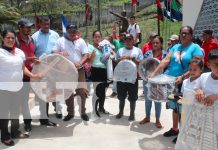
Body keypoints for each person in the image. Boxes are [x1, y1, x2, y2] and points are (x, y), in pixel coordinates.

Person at [148, 26, 204, 143]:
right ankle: (175, 129)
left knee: (183, 109)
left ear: (191, 35)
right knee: (174, 107)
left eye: (186, 33)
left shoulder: (195, 48)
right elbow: (166, 61)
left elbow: (196, 66)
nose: (183, 35)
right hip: (171, 82)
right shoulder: (175, 47)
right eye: (181, 33)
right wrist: (153, 73)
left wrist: (183, 76)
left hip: (185, 83)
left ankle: (183, 132)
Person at [0, 29, 41, 146]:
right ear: (3, 38)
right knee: (4, 113)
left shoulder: (19, 52)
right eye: (8, 37)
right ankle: (4, 136)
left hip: (18, 87)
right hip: (3, 89)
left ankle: (14, 132)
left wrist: (33, 75)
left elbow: (23, 68)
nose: (11, 40)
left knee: (15, 112)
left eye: (13, 37)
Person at [52, 24, 89, 121]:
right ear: (66, 31)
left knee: (81, 91)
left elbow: (86, 55)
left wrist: (80, 62)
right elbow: (53, 52)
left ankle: (83, 112)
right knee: (68, 92)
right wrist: (60, 53)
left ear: (76, 32)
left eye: (74, 31)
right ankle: (70, 113)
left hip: (79, 70)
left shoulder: (81, 41)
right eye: (70, 31)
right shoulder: (60, 41)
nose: (72, 33)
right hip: (65, 71)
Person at [32, 16, 60, 126]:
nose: (46, 26)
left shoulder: (55, 35)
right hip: (40, 69)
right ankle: (44, 118)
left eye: (48, 24)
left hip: (53, 68)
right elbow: (32, 52)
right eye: (44, 24)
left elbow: (59, 49)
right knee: (43, 93)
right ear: (40, 24)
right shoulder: (34, 37)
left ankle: (57, 109)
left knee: (54, 91)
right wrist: (36, 59)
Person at [139, 36, 167, 128]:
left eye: (157, 43)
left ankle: (157, 120)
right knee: (147, 100)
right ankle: (147, 117)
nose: (155, 44)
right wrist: (147, 65)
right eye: (153, 43)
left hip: (159, 81)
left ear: (161, 44)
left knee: (157, 100)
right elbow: (142, 66)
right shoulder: (147, 54)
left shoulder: (165, 54)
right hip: (147, 80)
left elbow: (167, 67)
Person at [115, 34, 143, 121]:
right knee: (121, 96)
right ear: (124, 41)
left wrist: (134, 59)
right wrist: (120, 59)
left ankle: (132, 114)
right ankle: (120, 112)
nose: (128, 41)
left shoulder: (137, 50)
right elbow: (115, 62)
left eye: (130, 39)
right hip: (121, 78)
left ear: (133, 40)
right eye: (126, 40)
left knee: (133, 97)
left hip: (132, 78)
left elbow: (142, 63)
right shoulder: (120, 51)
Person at [16, 18, 36, 132]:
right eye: (27, 27)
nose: (29, 29)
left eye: (30, 27)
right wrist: (29, 58)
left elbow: (33, 53)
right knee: (24, 100)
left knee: (42, 96)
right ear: (20, 27)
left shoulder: (31, 39)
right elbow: (14, 58)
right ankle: (27, 122)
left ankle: (44, 119)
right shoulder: (15, 41)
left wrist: (35, 59)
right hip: (22, 76)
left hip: (34, 73)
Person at [88, 30, 110, 116]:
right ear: (93, 38)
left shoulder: (104, 46)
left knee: (103, 90)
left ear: (100, 37)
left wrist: (107, 51)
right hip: (95, 70)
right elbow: (89, 61)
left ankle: (101, 108)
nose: (97, 38)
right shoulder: (90, 47)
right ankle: (94, 109)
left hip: (104, 70)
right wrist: (92, 56)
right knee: (97, 90)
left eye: (98, 37)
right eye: (95, 36)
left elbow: (110, 55)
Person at [110, 30, 127, 98]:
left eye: (124, 35)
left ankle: (126, 91)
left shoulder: (127, 43)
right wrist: (113, 33)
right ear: (119, 36)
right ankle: (114, 91)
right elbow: (110, 39)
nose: (122, 36)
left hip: (126, 63)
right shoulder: (116, 41)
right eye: (121, 35)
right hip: (117, 62)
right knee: (116, 77)